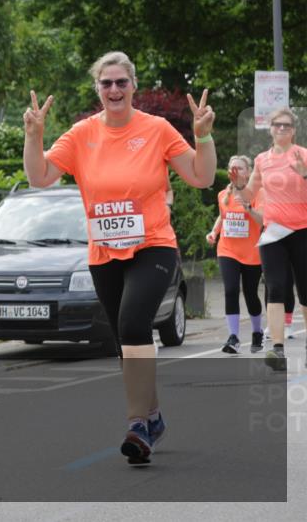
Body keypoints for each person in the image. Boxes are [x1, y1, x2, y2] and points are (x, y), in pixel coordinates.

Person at [23, 51, 215, 466]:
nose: (114, 90)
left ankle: (137, 424)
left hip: (154, 246)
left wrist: (203, 136)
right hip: (104, 252)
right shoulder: (81, 135)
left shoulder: (157, 129)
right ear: (98, 89)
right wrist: (34, 135)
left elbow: (202, 176)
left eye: (121, 83)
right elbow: (38, 177)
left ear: (133, 87)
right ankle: (154, 415)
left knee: (132, 323)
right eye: (106, 83)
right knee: (128, 343)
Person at [237, 107, 307, 371]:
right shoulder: (261, 160)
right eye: (277, 125)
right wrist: (239, 186)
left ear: (294, 130)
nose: (281, 129)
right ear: (270, 129)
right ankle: (277, 349)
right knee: (275, 287)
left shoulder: (303, 155)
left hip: (302, 230)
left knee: (305, 291)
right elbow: (249, 193)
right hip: (273, 232)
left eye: (286, 126)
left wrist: (304, 174)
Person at [206, 156, 264, 353]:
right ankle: (234, 337)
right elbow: (223, 218)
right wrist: (214, 232)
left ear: (247, 172)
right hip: (227, 250)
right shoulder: (223, 194)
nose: (235, 172)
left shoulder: (257, 194)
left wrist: (249, 209)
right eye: (232, 168)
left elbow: (262, 221)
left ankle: (257, 332)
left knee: (250, 294)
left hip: (252, 252)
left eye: (239, 168)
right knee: (230, 290)